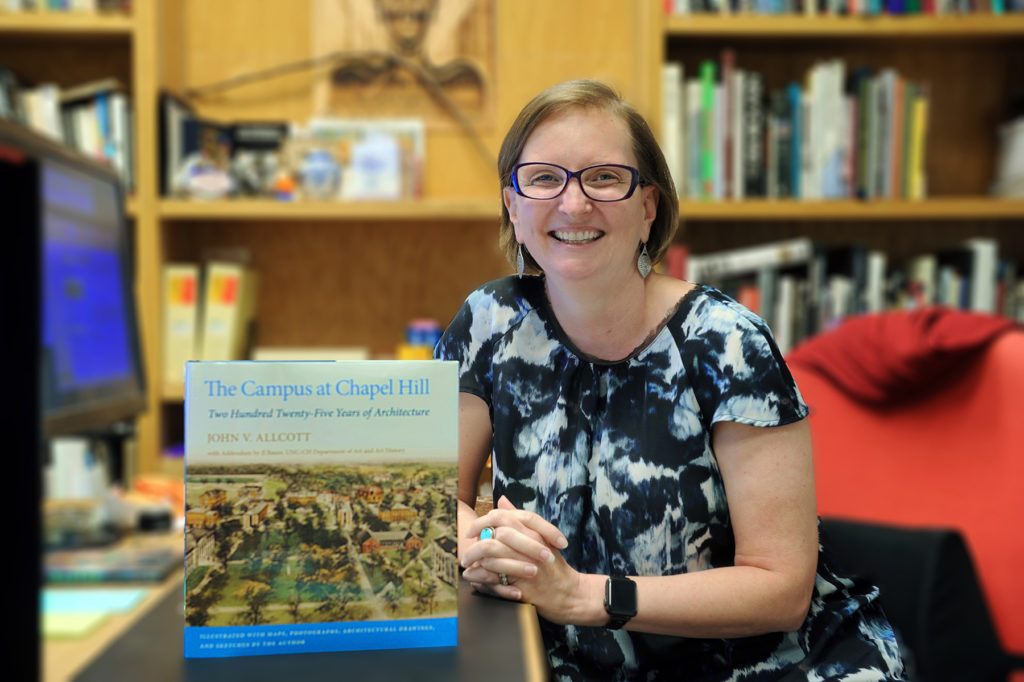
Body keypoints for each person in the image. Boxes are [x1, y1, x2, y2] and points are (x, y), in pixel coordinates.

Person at [434, 79, 904, 681]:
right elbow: (433, 502)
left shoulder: (727, 342)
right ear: (513, 206)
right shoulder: (488, 322)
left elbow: (781, 588)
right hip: (568, 658)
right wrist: (477, 542)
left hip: (764, 663)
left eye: (604, 177)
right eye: (545, 178)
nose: (573, 204)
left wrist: (583, 595)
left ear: (648, 206)